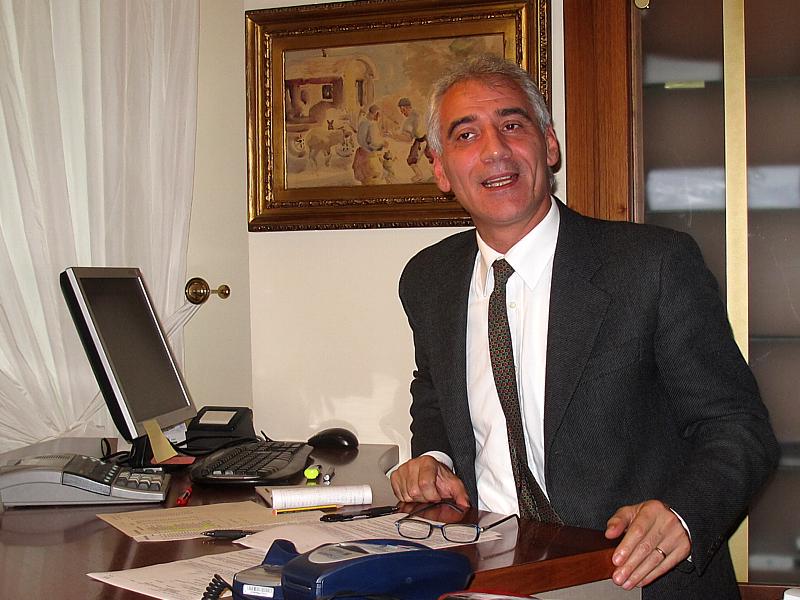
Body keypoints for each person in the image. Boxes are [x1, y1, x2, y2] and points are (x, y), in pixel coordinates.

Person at [390, 54, 779, 600]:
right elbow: (434, 391)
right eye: (466, 134)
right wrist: (434, 458)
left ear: (548, 145)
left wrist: (682, 516)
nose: (495, 150)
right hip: (490, 574)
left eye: (512, 124)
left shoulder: (652, 265)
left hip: (631, 577)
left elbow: (738, 427)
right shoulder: (428, 278)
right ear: (440, 168)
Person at [395, 97, 433, 182]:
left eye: (403, 110)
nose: (402, 113)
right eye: (401, 110)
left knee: (412, 160)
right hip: (424, 138)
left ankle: (420, 175)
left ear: (408, 107)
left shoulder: (412, 118)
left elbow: (408, 138)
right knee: (430, 157)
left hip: (422, 140)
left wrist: (393, 135)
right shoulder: (416, 114)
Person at [352, 104, 386, 184]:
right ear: (376, 114)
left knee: (364, 182)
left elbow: (360, 140)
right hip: (369, 158)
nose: (379, 117)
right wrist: (382, 144)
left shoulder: (362, 122)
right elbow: (373, 143)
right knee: (373, 181)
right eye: (378, 115)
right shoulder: (371, 125)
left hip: (361, 155)